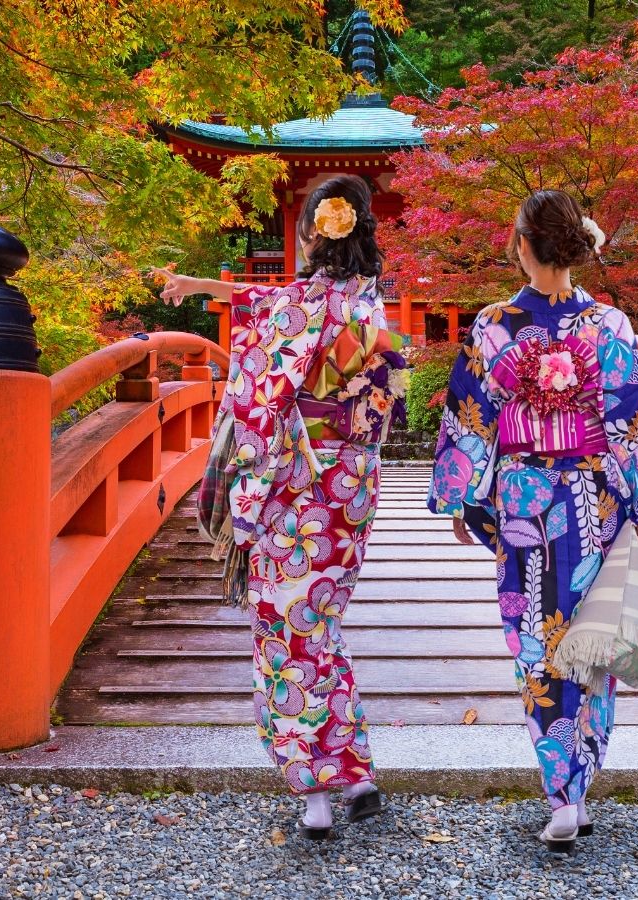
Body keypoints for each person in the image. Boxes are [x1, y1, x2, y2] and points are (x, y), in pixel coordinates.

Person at [427, 189, 638, 852]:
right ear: (574, 246)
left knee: (539, 645)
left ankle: (562, 790)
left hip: (524, 501)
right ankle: (578, 783)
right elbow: (635, 423)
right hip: (594, 499)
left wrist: (461, 496)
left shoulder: (493, 324)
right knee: (590, 639)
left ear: (522, 245)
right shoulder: (612, 327)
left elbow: (469, 418)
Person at [156, 175, 398, 840]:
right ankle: (355, 773)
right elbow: (384, 403)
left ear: (312, 232)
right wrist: (210, 289)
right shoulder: (372, 309)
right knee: (319, 625)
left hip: (293, 483)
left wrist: (207, 293)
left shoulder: (291, 308)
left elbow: (253, 402)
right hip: (351, 485)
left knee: (282, 637)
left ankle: (314, 790)